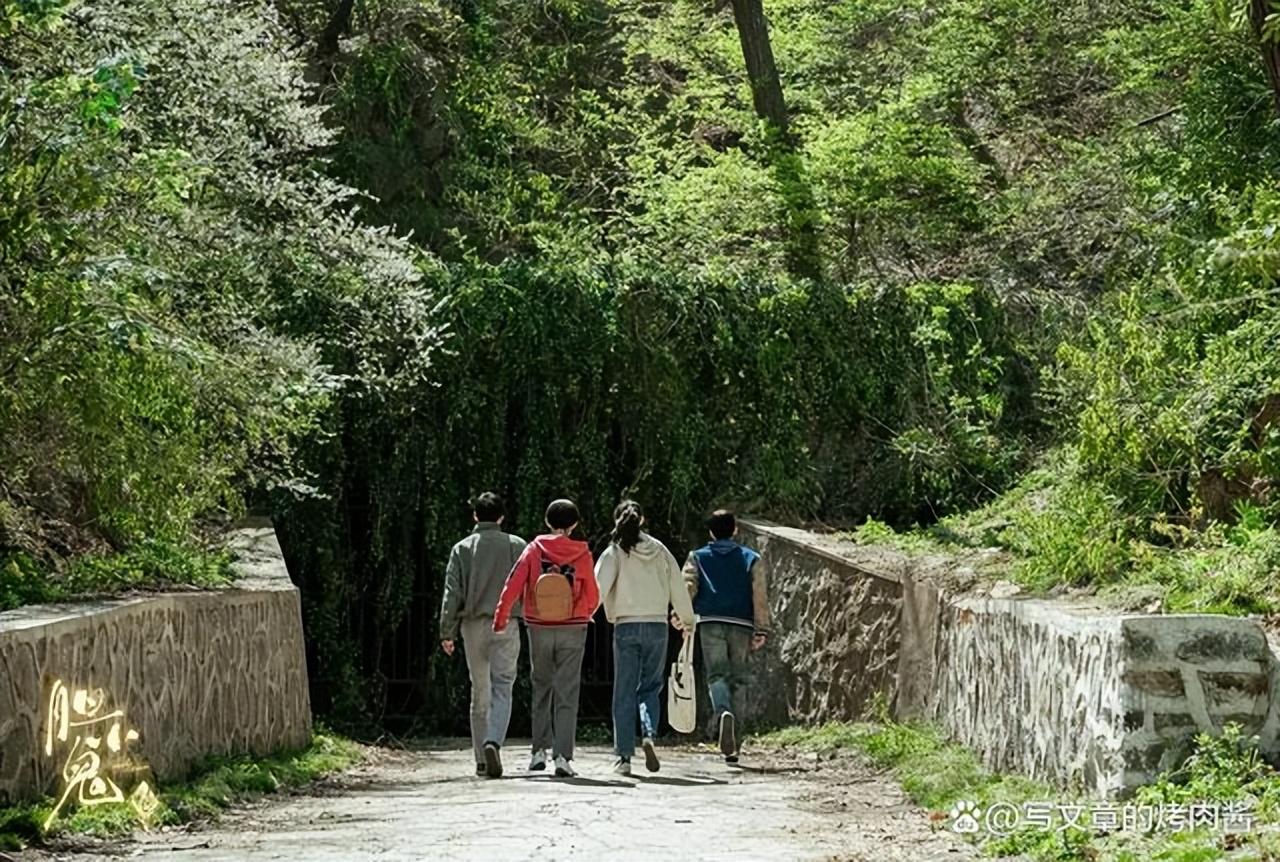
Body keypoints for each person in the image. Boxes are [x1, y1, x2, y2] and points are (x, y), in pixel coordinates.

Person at [494, 498, 598, 778]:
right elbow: (593, 594)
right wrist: (584, 612)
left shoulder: (533, 550)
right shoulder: (583, 554)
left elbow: (513, 583)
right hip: (573, 627)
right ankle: (563, 757)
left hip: (538, 625)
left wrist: (501, 617)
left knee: (541, 687)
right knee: (567, 691)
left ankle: (538, 751)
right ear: (574, 524)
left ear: (547, 522)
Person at [595, 500, 695, 776]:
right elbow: (677, 585)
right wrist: (686, 621)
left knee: (624, 692)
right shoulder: (660, 550)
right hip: (657, 626)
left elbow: (598, 587)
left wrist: (584, 615)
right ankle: (649, 734)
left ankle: (624, 758)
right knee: (650, 687)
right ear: (643, 519)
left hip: (626, 625)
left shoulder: (615, 551)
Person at [439, 492, 527, 778]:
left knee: (480, 690)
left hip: (473, 626)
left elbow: (452, 593)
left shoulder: (462, 549)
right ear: (501, 517)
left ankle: (480, 758)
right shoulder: (517, 546)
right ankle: (494, 741)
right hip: (507, 623)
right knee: (503, 686)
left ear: (475, 516)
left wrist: (447, 631)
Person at [683, 509, 770, 764]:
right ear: (735, 530)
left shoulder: (697, 557)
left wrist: (682, 617)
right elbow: (759, 595)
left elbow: (687, 586)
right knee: (739, 679)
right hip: (741, 623)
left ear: (710, 532)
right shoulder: (750, 558)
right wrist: (761, 628)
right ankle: (735, 746)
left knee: (717, 674)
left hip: (710, 622)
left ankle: (722, 713)